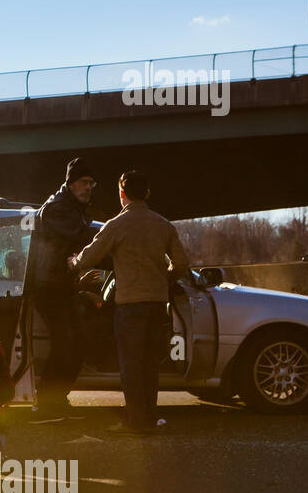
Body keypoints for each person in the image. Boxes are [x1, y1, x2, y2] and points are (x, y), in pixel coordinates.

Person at [69, 170, 191, 435]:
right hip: (158, 303)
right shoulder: (163, 225)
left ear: (122, 194)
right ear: (147, 193)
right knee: (150, 364)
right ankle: (150, 417)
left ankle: (136, 422)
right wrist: (164, 280)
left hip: (129, 305)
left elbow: (89, 257)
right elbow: (181, 263)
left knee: (131, 365)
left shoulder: (116, 225)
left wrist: (74, 262)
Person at [27, 157, 98, 415]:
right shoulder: (58, 208)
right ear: (70, 183)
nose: (89, 187)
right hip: (49, 285)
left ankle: (57, 397)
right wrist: (113, 238)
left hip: (62, 284)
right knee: (67, 341)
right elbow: (82, 238)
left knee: (79, 341)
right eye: (84, 182)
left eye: (92, 183)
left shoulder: (73, 208)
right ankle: (47, 401)